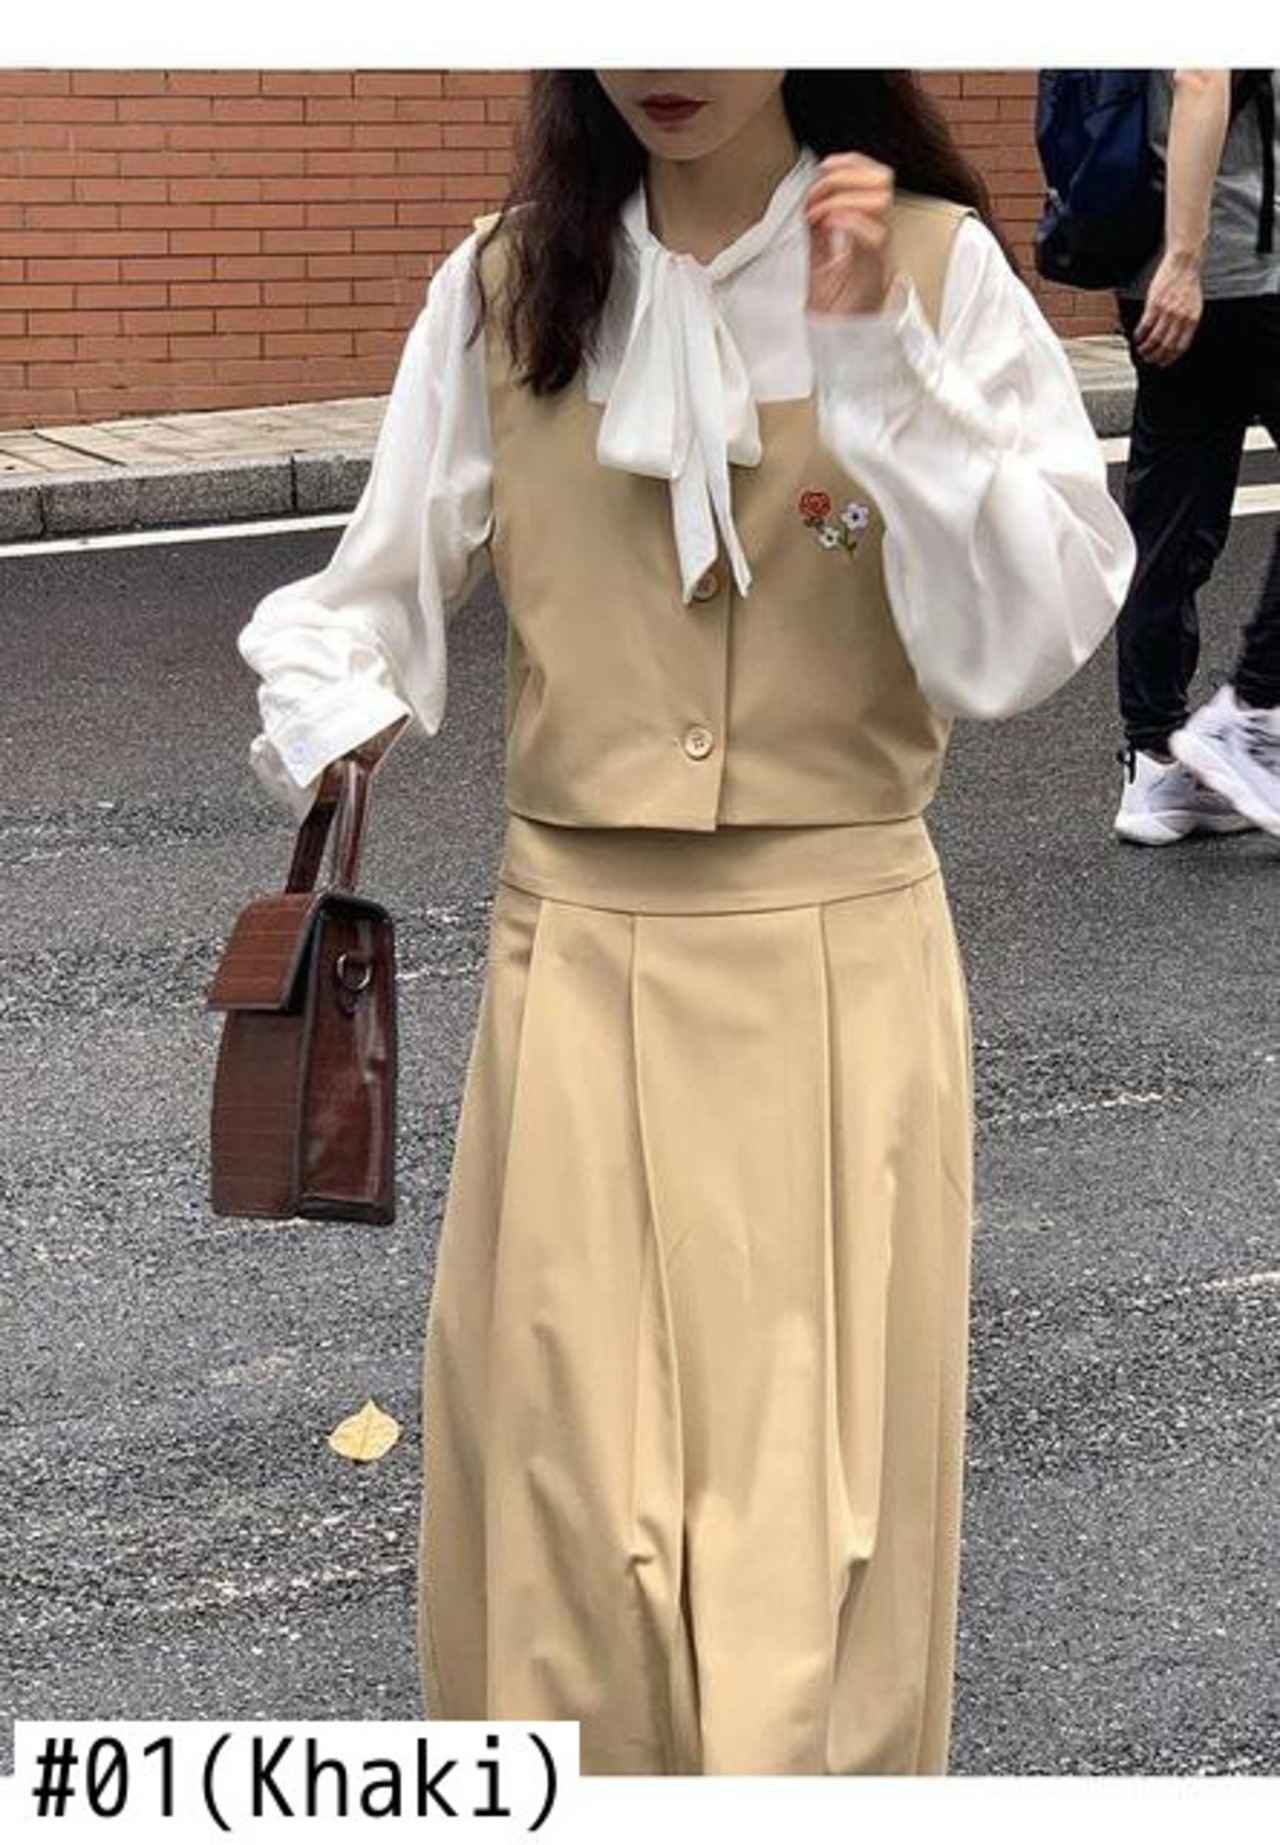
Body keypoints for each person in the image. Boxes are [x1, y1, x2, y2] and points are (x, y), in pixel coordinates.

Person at [235, 70, 1135, 1776]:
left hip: (843, 979)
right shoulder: (510, 282)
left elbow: (1020, 636)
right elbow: (370, 589)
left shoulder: (933, 267)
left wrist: (882, 378)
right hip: (571, 962)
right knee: (570, 1534)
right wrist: (336, 699)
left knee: (820, 1548)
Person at [1111, 68, 1280, 844]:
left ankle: (1156, 765)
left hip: (1157, 272)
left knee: (1172, 514)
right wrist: (1186, 260)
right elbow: (1202, 74)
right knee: (1174, 514)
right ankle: (1254, 711)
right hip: (1239, 270)